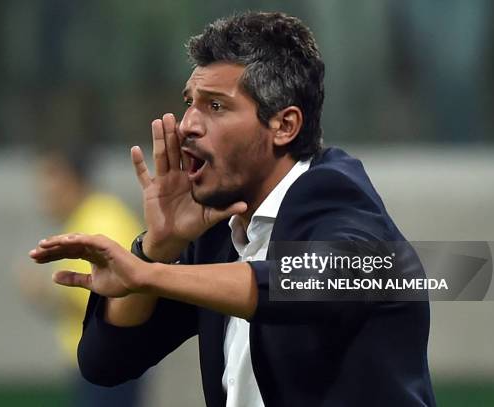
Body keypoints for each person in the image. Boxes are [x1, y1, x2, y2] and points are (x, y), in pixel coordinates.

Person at [30, 12, 436, 406]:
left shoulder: (338, 199)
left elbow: (305, 282)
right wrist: (156, 247)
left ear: (284, 125)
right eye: (190, 102)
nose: (188, 123)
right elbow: (106, 362)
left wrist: (149, 274)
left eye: (216, 106)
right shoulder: (219, 229)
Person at [19, 147, 144, 406]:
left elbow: (118, 297)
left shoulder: (101, 221)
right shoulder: (84, 219)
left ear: (72, 179)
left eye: (51, 178)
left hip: (110, 361)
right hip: (98, 358)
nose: (44, 191)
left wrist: (44, 291)